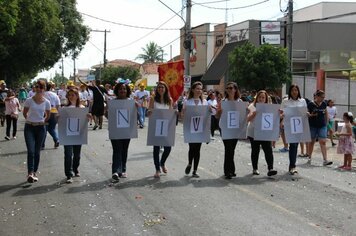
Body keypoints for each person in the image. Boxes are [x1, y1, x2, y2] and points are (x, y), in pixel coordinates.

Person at [60, 88, 91, 183]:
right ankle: (69, 174)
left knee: (77, 155)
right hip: (68, 134)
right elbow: (61, 121)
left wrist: (88, 117)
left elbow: (84, 122)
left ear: (77, 96)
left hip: (78, 134)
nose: (71, 96)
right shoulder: (64, 108)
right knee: (68, 154)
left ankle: (75, 168)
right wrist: (58, 117)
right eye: (69, 95)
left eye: (73, 94)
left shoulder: (82, 108)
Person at [23, 80, 51, 183]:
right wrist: (29, 119)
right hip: (29, 127)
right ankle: (30, 173)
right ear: (35, 88)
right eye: (37, 87)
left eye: (41, 87)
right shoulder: (29, 100)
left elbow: (48, 115)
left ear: (44, 89)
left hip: (40, 128)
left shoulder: (47, 102)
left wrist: (43, 120)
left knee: (37, 151)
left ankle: (34, 172)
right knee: (31, 151)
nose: (39, 89)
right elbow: (25, 112)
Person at [216, 82, 244, 179]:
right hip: (224, 128)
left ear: (235, 89)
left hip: (235, 128)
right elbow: (217, 116)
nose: (229, 90)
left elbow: (242, 116)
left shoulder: (240, 102)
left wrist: (246, 112)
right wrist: (219, 112)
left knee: (232, 149)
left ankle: (231, 169)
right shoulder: (223, 101)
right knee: (228, 148)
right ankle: (228, 171)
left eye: (231, 88)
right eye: (227, 88)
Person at [247, 90, 277, 176]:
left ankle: (270, 168)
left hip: (265, 133)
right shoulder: (252, 106)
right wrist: (254, 114)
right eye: (260, 97)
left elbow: (274, 118)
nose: (261, 99)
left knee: (268, 150)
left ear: (266, 99)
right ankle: (255, 168)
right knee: (255, 150)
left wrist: (279, 114)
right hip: (253, 132)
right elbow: (247, 119)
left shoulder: (269, 107)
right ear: (257, 98)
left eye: (263, 97)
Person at [147, 81, 174, 178]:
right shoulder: (153, 99)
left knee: (168, 147)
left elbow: (171, 112)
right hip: (156, 125)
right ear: (157, 89)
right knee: (156, 148)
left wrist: (175, 113)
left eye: (162, 87)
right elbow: (149, 110)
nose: (160, 89)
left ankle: (162, 163)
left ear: (166, 89)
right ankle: (157, 169)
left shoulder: (169, 100)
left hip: (166, 126)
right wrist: (149, 112)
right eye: (159, 87)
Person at [182, 81, 208, 178]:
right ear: (193, 89)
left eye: (200, 89)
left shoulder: (204, 102)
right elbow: (183, 115)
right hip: (190, 128)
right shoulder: (187, 102)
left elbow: (208, 115)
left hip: (200, 128)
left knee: (198, 149)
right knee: (192, 147)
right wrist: (183, 112)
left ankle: (195, 170)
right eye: (197, 88)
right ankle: (189, 163)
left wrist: (210, 110)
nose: (199, 91)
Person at [280, 84, 307, 175]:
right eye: (292, 90)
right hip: (289, 125)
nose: (294, 92)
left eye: (296, 90)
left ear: (298, 91)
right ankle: (292, 166)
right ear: (290, 92)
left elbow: (304, 112)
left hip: (299, 125)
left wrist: (307, 114)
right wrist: (282, 118)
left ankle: (292, 165)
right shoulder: (285, 101)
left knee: (296, 145)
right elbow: (281, 112)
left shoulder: (302, 101)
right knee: (293, 145)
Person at [110, 82, 134, 181]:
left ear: (127, 90)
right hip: (115, 130)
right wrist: (108, 109)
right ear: (117, 90)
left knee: (124, 149)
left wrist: (136, 107)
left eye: (124, 89)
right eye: (120, 89)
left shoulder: (131, 102)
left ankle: (123, 169)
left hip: (126, 130)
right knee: (117, 150)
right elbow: (108, 116)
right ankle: (115, 171)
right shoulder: (112, 102)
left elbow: (133, 116)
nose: (122, 90)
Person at [307, 90, 333, 166]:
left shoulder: (324, 104)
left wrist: (327, 123)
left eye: (324, 97)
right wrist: (310, 115)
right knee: (312, 142)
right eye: (322, 97)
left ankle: (325, 160)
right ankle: (309, 157)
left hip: (322, 125)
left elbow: (326, 113)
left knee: (323, 142)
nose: (323, 98)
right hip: (313, 126)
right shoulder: (310, 104)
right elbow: (307, 113)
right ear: (317, 96)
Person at [42, 81, 60, 149]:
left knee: (44, 129)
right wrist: (58, 112)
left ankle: (42, 144)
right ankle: (56, 139)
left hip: (45, 113)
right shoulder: (54, 95)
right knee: (52, 128)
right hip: (54, 112)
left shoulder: (42, 94)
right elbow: (58, 105)